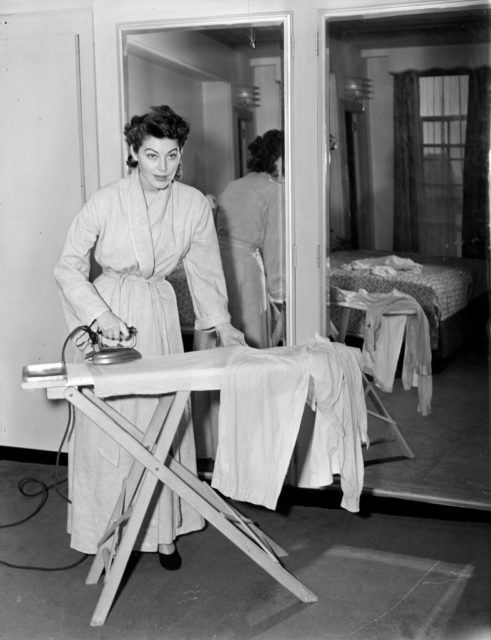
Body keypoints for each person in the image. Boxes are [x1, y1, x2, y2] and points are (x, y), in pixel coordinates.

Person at [54, 105, 244, 569]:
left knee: (162, 426)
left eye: (172, 155)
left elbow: (204, 272)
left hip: (158, 319)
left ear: (182, 155)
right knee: (112, 428)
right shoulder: (105, 200)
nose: (163, 167)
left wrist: (223, 325)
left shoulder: (195, 204)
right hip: (110, 312)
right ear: (134, 154)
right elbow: (68, 266)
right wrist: (99, 316)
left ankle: (163, 534)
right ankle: (105, 530)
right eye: (152, 155)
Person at [215, 129, 285, 348]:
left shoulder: (233, 185)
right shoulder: (274, 192)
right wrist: (278, 294)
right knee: (250, 337)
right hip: (247, 271)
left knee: (224, 334)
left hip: (219, 266)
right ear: (278, 158)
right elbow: (275, 247)